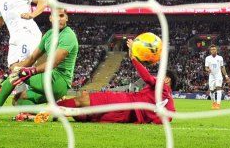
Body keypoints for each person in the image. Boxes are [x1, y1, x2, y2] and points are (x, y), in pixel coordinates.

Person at [35, 38, 177, 124]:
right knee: (88, 115)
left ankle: (50, 109)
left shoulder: (162, 87)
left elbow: (146, 77)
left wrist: (134, 57)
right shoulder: (169, 104)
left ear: (167, 79)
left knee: (83, 100)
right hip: (125, 117)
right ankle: (54, 111)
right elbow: (164, 119)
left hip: (124, 101)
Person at [0, 8, 78, 121]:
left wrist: (27, 72)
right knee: (18, 100)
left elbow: (53, 63)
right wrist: (15, 71)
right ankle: (50, 111)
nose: (59, 19)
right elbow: (32, 58)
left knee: (15, 77)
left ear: (66, 18)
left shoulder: (68, 36)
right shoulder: (48, 35)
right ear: (51, 18)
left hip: (59, 81)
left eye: (61, 16)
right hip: (50, 84)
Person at [205, 44, 230, 110]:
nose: (213, 50)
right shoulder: (207, 58)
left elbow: (222, 67)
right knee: (212, 90)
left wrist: (226, 76)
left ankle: (218, 104)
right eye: (212, 49)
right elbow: (206, 68)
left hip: (218, 75)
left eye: (214, 49)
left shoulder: (220, 58)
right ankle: (214, 103)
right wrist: (208, 70)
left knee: (218, 88)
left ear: (216, 50)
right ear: (210, 51)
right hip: (211, 76)